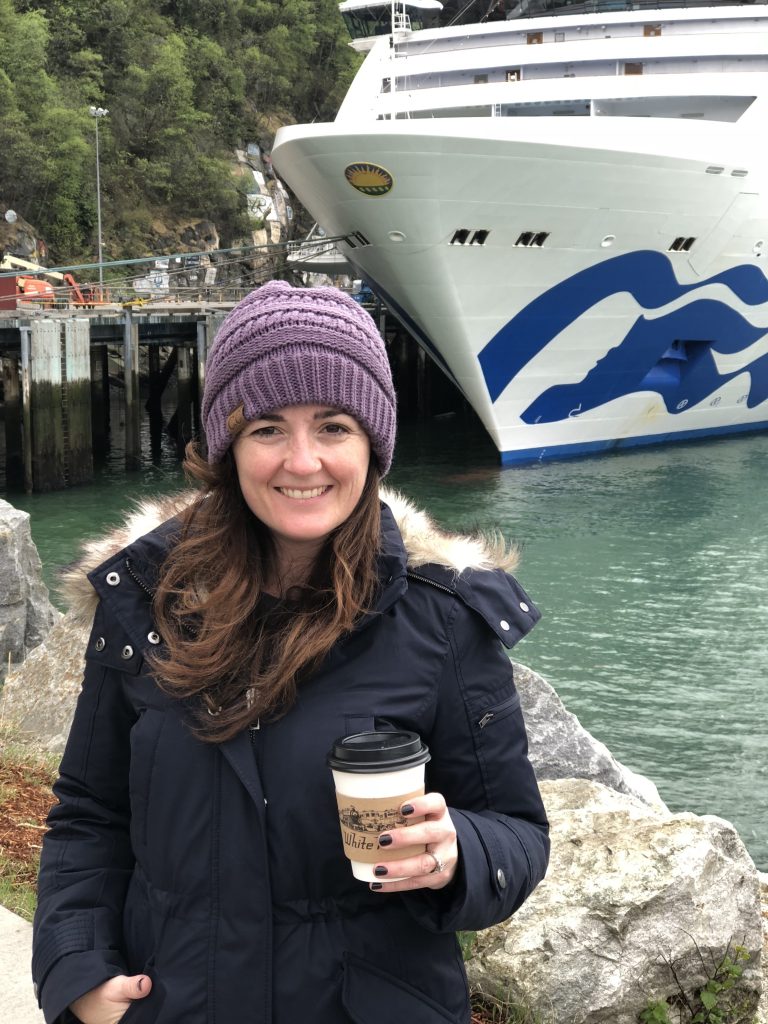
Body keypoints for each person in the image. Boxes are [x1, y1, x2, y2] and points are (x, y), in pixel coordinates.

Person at [32, 281, 550, 1024]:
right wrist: (75, 965)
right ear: (227, 445)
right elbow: (88, 811)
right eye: (267, 427)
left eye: (333, 426)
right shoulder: (142, 602)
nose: (302, 462)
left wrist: (458, 850)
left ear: (372, 442)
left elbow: (519, 835)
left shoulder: (444, 619)